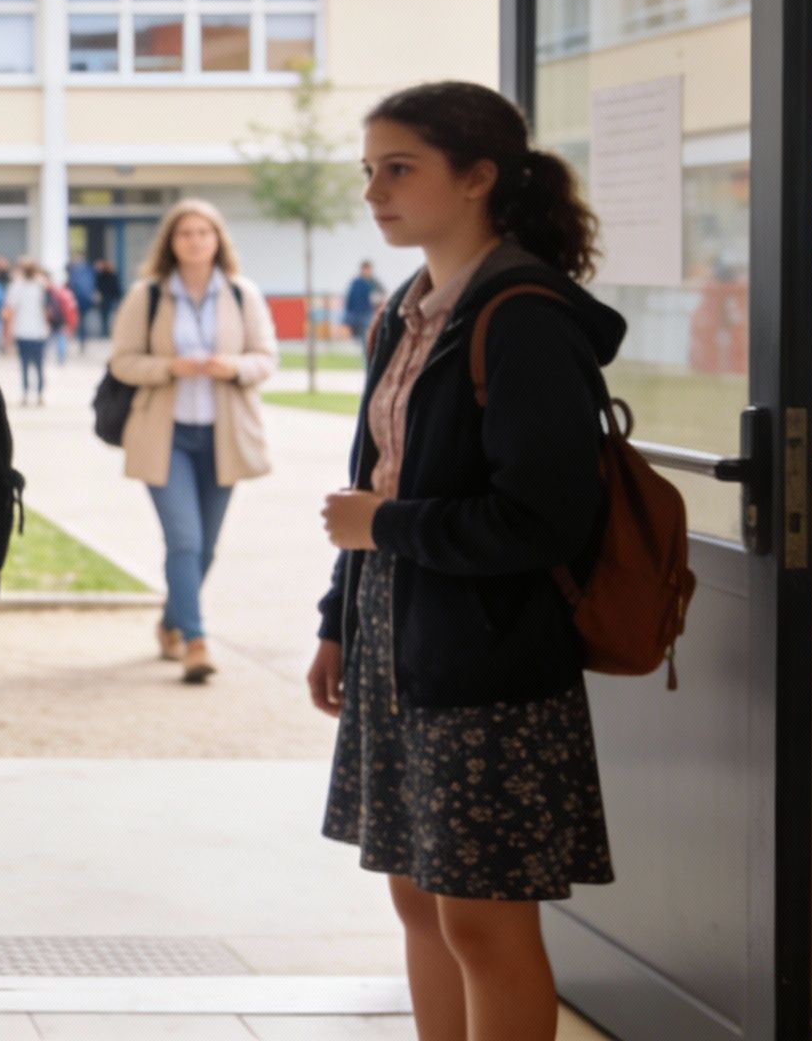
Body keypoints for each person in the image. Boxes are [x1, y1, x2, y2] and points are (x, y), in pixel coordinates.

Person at [310, 81, 619, 1041]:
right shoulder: (407, 309)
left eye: (399, 169)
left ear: (479, 177)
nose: (374, 191)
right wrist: (335, 621)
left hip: (485, 658)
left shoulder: (519, 316)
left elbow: (541, 521)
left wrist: (384, 531)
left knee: (483, 923)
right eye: (368, 170)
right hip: (396, 640)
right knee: (416, 901)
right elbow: (378, 475)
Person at [104, 200, 277, 683]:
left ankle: (169, 622)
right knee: (184, 540)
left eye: (204, 232)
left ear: (218, 239)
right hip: (166, 436)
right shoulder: (149, 295)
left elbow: (266, 358)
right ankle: (196, 640)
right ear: (171, 242)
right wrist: (169, 368)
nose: (196, 240)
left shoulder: (243, 295)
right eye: (186, 233)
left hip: (224, 436)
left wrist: (234, 367)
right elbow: (122, 362)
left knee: (206, 548)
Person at [3, 261, 51, 405]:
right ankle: (40, 394)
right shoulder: (42, 287)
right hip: (39, 331)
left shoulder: (15, 287)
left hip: (21, 331)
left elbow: (10, 311)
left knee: (24, 364)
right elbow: (47, 309)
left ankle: (25, 394)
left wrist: (8, 333)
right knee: (39, 364)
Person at [342, 260, 384, 348]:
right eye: (365, 269)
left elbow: (382, 295)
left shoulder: (374, 282)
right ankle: (366, 359)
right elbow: (349, 300)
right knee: (362, 340)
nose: (366, 271)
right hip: (356, 315)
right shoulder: (356, 283)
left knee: (367, 339)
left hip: (369, 314)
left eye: (368, 269)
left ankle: (368, 359)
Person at [67, 252, 99, 342]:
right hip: (84, 297)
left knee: (81, 318)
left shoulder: (76, 270)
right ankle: (82, 337)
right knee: (82, 319)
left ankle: (81, 336)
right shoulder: (88, 269)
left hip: (80, 297)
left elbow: (73, 284)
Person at [93, 256, 124, 340]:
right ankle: (105, 333)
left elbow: (117, 287)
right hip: (106, 299)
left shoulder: (112, 275)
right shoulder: (101, 275)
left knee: (109, 317)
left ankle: (108, 332)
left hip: (111, 299)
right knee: (105, 317)